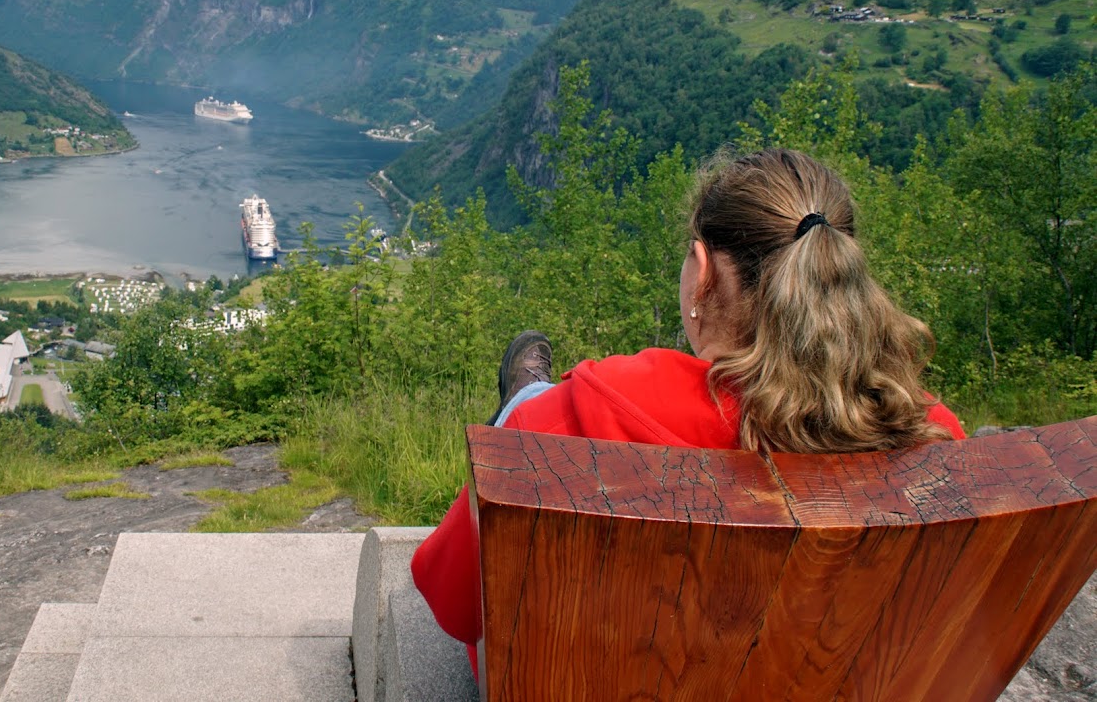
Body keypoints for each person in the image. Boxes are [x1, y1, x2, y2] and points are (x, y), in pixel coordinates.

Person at [410, 148, 966, 677]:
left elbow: (453, 602)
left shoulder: (560, 432)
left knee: (530, 409)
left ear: (703, 272)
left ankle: (521, 397)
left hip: (587, 678)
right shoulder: (936, 441)